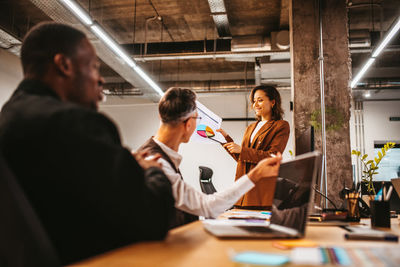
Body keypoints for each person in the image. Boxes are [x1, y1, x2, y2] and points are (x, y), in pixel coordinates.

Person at [0, 22, 174, 265]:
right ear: (64, 65)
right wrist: (152, 170)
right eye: (93, 67)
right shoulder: (73, 123)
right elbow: (154, 218)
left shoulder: (8, 118)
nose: (100, 80)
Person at [138, 87, 282, 227]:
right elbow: (207, 206)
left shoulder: (152, 155)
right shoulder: (156, 162)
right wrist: (255, 175)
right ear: (189, 124)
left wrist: (226, 140)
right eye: (197, 118)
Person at [217, 85, 290, 209]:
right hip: (242, 191)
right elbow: (242, 159)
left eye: (260, 100)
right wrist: (224, 139)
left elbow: (272, 157)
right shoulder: (250, 127)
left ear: (272, 102)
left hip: (259, 191)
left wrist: (242, 150)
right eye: (254, 101)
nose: (255, 104)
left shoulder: (281, 126)